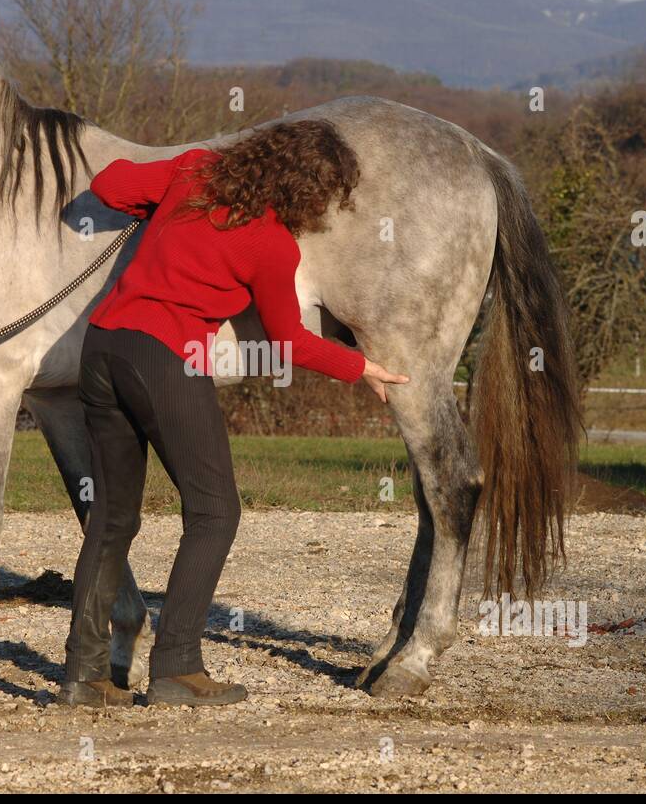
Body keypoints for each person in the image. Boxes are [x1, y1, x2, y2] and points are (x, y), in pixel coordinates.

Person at [59, 120, 409, 708]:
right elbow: (290, 340)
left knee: (112, 518)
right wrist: (360, 366)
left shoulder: (194, 169)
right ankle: (175, 667)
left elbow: (110, 182)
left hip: (102, 347)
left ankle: (83, 676)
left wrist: (160, 197)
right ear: (307, 191)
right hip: (164, 359)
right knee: (215, 511)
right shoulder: (272, 243)